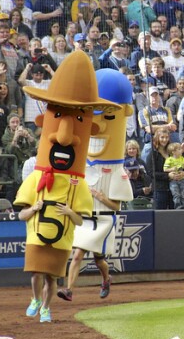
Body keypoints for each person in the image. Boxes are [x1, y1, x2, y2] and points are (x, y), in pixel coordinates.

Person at [16, 52, 110, 324]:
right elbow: (20, 213)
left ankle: (46, 307)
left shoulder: (77, 183)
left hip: (61, 238)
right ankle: (35, 300)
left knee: (52, 277)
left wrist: (69, 213)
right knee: (36, 273)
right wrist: (33, 208)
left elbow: (81, 218)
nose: (65, 135)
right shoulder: (36, 177)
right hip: (37, 235)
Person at [59, 69, 134, 301]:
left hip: (103, 220)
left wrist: (101, 197)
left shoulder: (117, 172)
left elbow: (118, 207)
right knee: (78, 253)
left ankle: (105, 279)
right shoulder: (84, 165)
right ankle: (69, 289)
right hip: (84, 218)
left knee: (99, 260)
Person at [164, 142, 184, 209]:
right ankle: (178, 206)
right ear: (173, 152)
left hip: (182, 179)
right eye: (179, 149)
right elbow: (165, 169)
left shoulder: (182, 158)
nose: (181, 150)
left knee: (183, 193)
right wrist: (171, 169)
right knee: (176, 194)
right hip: (173, 180)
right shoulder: (169, 160)